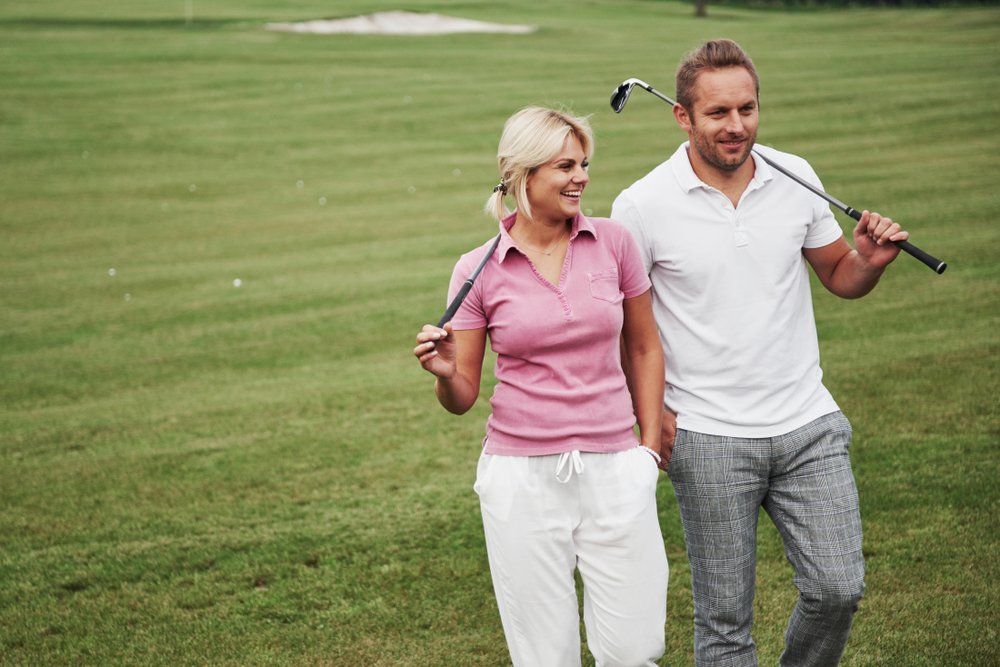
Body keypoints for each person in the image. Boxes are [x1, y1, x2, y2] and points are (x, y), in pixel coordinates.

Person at [611, 39, 910, 666]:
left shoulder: (795, 176)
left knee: (838, 589)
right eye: (718, 113)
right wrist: (651, 413)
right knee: (724, 624)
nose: (736, 126)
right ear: (682, 116)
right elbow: (628, 328)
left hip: (808, 423)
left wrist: (871, 262)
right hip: (707, 434)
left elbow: (840, 275)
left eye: (747, 109)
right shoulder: (640, 206)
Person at [413, 106, 668, 667]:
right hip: (521, 478)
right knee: (543, 656)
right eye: (565, 166)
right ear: (521, 175)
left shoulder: (615, 243)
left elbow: (645, 347)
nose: (581, 177)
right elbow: (462, 398)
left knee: (634, 649)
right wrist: (446, 371)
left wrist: (648, 448)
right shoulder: (476, 268)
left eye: (583, 164)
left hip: (615, 467)